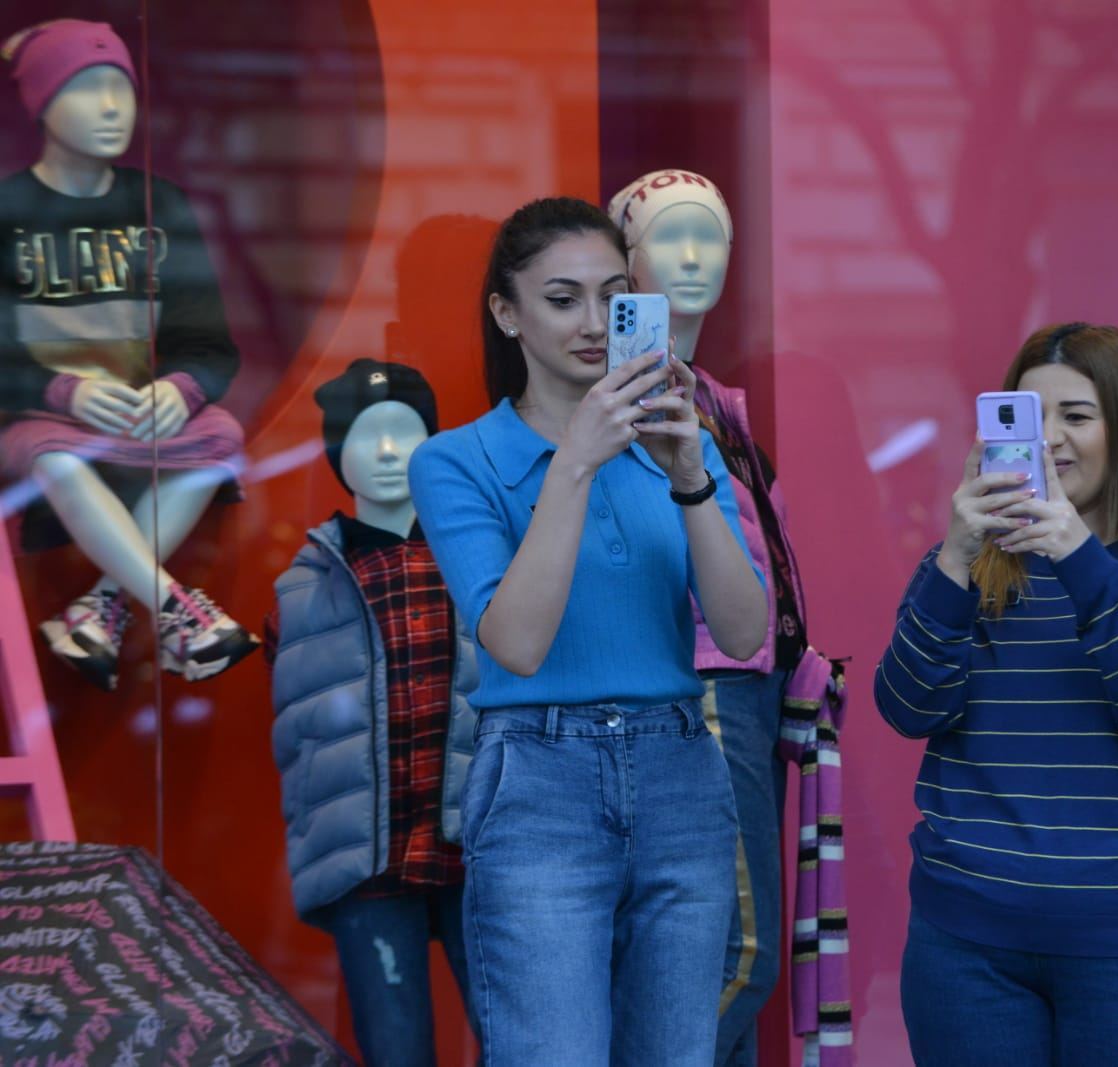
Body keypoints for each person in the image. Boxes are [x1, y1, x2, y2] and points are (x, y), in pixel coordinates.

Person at [407, 196, 767, 1066]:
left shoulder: (684, 444)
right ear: (508, 313)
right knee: (551, 1051)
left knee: (677, 1053)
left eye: (615, 296)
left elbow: (745, 630)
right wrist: (574, 459)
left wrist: (689, 476)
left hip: (681, 768)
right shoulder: (456, 461)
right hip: (540, 778)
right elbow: (517, 643)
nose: (595, 323)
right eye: (562, 298)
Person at [876, 323, 1118, 1067]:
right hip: (968, 949)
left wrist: (1076, 552)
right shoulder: (966, 568)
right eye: (1024, 418)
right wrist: (953, 555)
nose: (1049, 441)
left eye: (1076, 416)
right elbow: (907, 706)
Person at [608, 169, 824, 1066]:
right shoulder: (624, 399)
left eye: (711, 235)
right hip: (696, 682)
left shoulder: (716, 403)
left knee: (721, 954)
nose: (694, 255)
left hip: (748, 685)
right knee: (736, 954)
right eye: (668, 235)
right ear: (626, 257)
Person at [0, 19, 256, 688]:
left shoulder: (160, 206)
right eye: (85, 87)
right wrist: (65, 392)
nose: (112, 106)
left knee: (221, 436)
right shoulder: (7, 210)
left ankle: (101, 608)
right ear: (41, 103)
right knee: (53, 453)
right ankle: (178, 611)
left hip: (142, 421)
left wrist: (181, 389)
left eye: (122, 86)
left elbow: (210, 344)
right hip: (41, 422)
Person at [264, 360, 478, 1067]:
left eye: (406, 432)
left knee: (526, 1035)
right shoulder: (303, 587)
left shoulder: (476, 553)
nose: (388, 452)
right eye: (367, 435)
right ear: (336, 453)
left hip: (481, 843)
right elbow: (298, 731)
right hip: (368, 857)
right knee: (395, 1047)